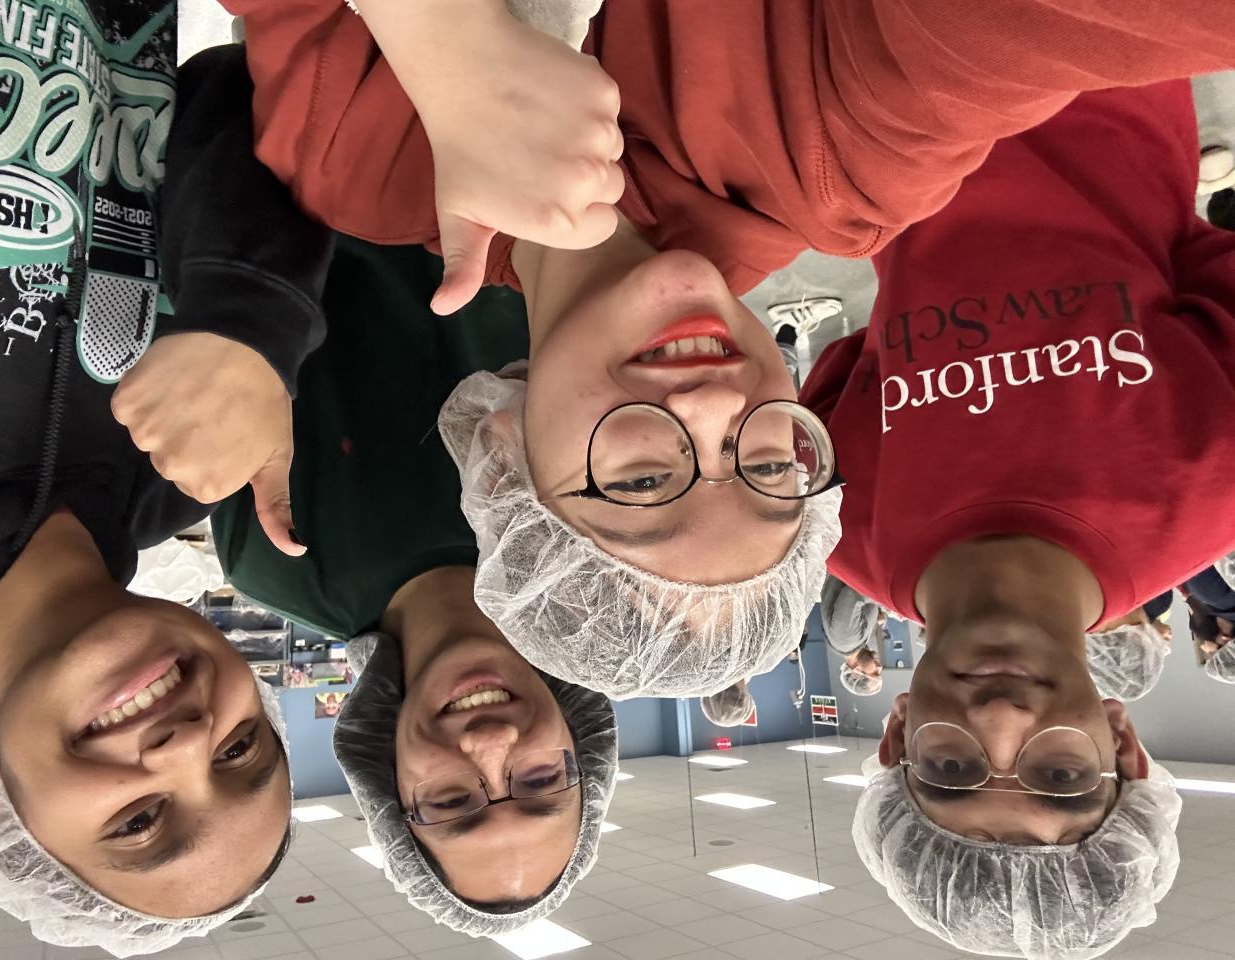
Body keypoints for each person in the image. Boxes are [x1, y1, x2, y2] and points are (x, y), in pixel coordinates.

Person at [212, 0, 1235, 699]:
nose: (712, 413)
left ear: (506, 453)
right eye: (766, 469)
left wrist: (441, 40)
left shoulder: (353, 168)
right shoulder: (830, 161)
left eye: (643, 479)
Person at [801, 79, 1220, 957]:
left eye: (950, 768)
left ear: (897, 738)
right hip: (1106, 56)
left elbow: (852, 357)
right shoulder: (1209, 485)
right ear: (1121, 746)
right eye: (1060, 774)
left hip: (879, 94)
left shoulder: (831, 516)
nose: (998, 720)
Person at [0, 36, 327, 950]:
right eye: (241, 748)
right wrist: (250, 323)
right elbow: (224, 90)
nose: (186, 745)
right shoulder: (174, 467)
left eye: (137, 821)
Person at [209, 234, 618, 931]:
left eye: (453, 801)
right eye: (541, 779)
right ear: (578, 742)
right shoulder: (596, 528)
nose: (490, 743)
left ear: (386, 781)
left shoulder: (274, 560)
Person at [820, 575, 886, 697]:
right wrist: (879, 615)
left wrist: (885, 600)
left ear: (856, 672)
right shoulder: (857, 644)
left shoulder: (845, 640)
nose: (880, 667)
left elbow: (854, 593)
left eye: (875, 673)